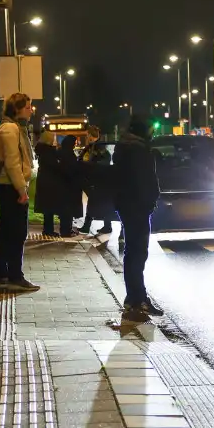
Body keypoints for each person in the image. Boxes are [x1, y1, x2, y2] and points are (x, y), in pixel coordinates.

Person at [113, 116, 163, 321]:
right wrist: (150, 201)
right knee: (138, 253)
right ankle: (137, 299)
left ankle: (134, 297)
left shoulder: (124, 147)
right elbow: (144, 179)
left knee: (132, 252)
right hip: (138, 206)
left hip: (126, 205)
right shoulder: (138, 150)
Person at [0, 93, 38, 292]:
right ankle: (14, 276)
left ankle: (2, 274)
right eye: (27, 106)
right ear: (17, 109)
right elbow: (12, 163)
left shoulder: (14, 128)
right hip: (11, 187)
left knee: (6, 232)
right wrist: (22, 190)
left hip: (9, 186)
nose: (31, 110)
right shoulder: (10, 129)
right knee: (17, 233)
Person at [34, 133, 83, 238]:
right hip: (52, 184)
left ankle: (49, 230)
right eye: (53, 139)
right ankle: (56, 230)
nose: (55, 141)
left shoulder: (47, 151)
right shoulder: (50, 152)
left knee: (49, 208)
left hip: (47, 183)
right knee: (56, 208)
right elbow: (59, 168)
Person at [80, 126, 115, 235]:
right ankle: (107, 225)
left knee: (94, 202)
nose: (86, 137)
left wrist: (92, 166)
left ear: (91, 135)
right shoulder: (93, 147)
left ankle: (87, 226)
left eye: (87, 135)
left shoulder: (98, 147)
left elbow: (102, 161)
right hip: (96, 179)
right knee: (99, 202)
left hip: (97, 180)